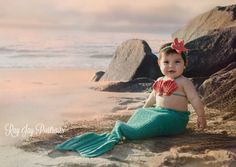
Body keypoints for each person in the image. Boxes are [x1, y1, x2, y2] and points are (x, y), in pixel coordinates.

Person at [55, 38, 207, 158]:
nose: (171, 66)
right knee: (141, 113)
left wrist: (201, 116)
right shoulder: (159, 81)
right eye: (166, 62)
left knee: (156, 121)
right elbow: (152, 99)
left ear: (185, 65)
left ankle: (129, 131)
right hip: (159, 111)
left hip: (175, 119)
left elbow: (195, 100)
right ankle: (132, 127)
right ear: (159, 63)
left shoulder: (184, 82)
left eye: (177, 62)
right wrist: (144, 110)